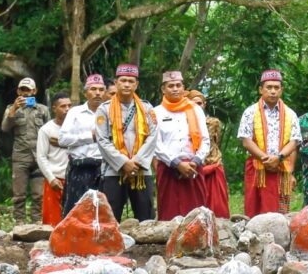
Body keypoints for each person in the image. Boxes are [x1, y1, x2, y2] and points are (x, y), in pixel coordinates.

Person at [96, 64, 157, 222]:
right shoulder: (104, 109)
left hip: (141, 171)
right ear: (116, 83)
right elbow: (102, 140)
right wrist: (123, 162)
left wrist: (136, 161)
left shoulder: (146, 108)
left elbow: (153, 136)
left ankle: (147, 248)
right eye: (123, 80)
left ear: (136, 85)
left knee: (146, 218)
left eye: (131, 81)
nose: (127, 84)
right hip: (114, 171)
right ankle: (110, 247)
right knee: (110, 218)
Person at [238, 69, 301, 218]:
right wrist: (265, 158)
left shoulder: (290, 114)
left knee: (277, 213)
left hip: (281, 166)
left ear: (281, 90)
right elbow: (246, 140)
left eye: (276, 87)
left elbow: (294, 140)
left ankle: (277, 238)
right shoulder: (250, 112)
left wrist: (278, 158)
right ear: (261, 89)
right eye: (269, 87)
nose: (273, 91)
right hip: (257, 167)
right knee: (254, 208)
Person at [154, 71, 210, 221]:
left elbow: (205, 139)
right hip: (168, 168)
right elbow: (155, 143)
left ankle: (198, 244)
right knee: (169, 214)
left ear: (183, 87)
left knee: (197, 215)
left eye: (178, 85)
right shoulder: (156, 112)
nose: (175, 89)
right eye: (170, 86)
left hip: (193, 167)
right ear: (163, 89)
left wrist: (196, 161)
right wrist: (176, 163)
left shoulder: (196, 109)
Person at [1, 77, 51, 224]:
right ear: (18, 91)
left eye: (28, 90)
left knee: (39, 194)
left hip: (39, 157)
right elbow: (4, 128)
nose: (26, 93)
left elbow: (50, 130)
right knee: (19, 194)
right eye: (23, 90)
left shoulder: (43, 110)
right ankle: (19, 223)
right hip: (20, 156)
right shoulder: (11, 108)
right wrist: (14, 110)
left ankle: (37, 222)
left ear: (34, 91)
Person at [59, 74, 106, 217]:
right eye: (93, 89)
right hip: (80, 167)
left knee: (100, 212)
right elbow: (62, 139)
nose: (97, 93)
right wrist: (89, 137)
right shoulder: (75, 112)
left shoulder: (109, 111)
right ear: (85, 93)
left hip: (103, 168)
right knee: (76, 211)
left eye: (101, 89)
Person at [187, 89, 230, 218]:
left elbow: (216, 143)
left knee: (217, 206)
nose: (196, 106)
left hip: (212, 164)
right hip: (192, 166)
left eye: (199, 103)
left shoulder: (213, 123)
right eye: (192, 103)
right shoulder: (183, 122)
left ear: (204, 104)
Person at [37, 92, 72, 226]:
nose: (67, 109)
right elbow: (41, 156)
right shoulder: (46, 130)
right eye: (63, 106)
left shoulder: (75, 127)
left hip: (74, 177)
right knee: (53, 221)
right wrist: (51, 178)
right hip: (55, 178)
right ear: (54, 108)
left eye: (69, 106)